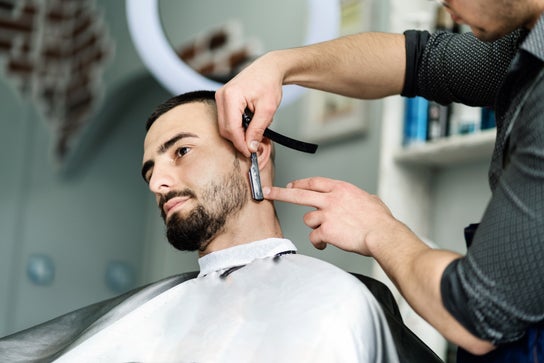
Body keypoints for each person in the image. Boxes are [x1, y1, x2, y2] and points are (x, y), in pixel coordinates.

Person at [0, 90, 445, 362]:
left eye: (181, 152)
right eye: (149, 170)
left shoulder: (340, 301)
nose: (157, 181)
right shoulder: (151, 311)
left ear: (256, 150)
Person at [215, 1, 544, 362]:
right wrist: (279, 66)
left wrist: (376, 229)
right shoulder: (525, 45)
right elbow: (418, 61)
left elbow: (479, 313)